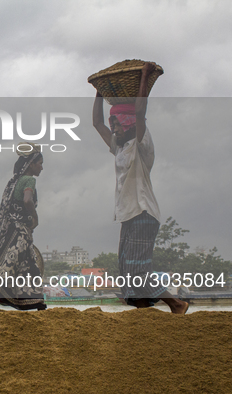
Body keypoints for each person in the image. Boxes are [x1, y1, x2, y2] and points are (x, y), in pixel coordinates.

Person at [92, 62, 189, 314]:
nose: (113, 127)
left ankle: (176, 303)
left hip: (143, 212)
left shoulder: (140, 143)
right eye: (113, 123)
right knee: (126, 268)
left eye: (117, 123)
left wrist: (144, 77)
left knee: (137, 270)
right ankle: (144, 312)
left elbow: (140, 111)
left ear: (130, 123)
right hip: (128, 214)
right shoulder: (120, 147)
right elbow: (96, 124)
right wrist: (99, 93)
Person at [0, 143, 47, 312]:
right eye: (40, 163)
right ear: (31, 163)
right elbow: (27, 200)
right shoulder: (29, 180)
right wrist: (35, 217)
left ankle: (39, 305)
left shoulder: (14, 181)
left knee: (28, 269)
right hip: (20, 234)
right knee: (7, 270)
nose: (42, 168)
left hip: (13, 232)